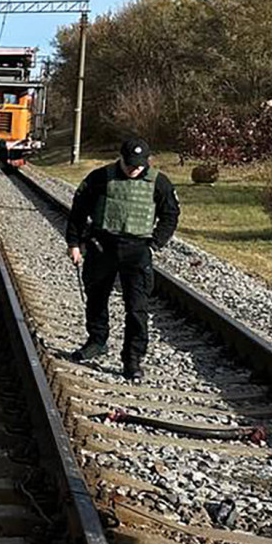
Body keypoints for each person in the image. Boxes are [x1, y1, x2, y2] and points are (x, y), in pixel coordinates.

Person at [66, 137, 180, 380]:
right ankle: (97, 340)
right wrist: (74, 243)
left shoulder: (159, 182)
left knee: (137, 308)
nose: (133, 169)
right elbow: (79, 210)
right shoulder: (100, 177)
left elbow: (170, 215)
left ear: (147, 162)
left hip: (137, 251)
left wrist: (155, 244)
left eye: (138, 165)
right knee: (96, 297)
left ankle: (132, 358)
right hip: (102, 246)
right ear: (120, 158)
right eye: (129, 164)